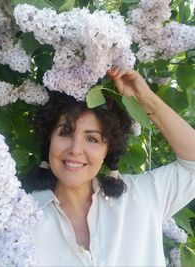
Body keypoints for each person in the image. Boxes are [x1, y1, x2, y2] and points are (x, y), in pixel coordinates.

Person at [25, 68, 195, 267]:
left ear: (107, 150)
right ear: (49, 140)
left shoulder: (142, 197)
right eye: (65, 133)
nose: (75, 149)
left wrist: (147, 100)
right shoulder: (20, 217)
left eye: (92, 139)